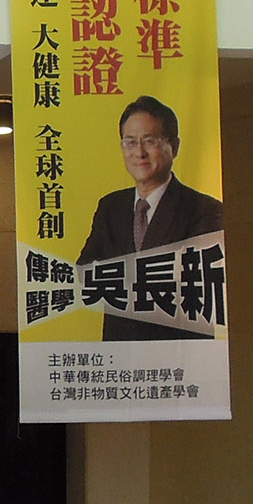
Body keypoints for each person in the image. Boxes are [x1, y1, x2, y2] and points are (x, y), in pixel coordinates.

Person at [77, 93, 225, 342]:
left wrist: (115, 277)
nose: (139, 152)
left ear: (174, 146)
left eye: (149, 141)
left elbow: (197, 282)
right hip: (120, 349)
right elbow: (84, 272)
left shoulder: (205, 210)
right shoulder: (110, 207)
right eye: (130, 142)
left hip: (179, 351)